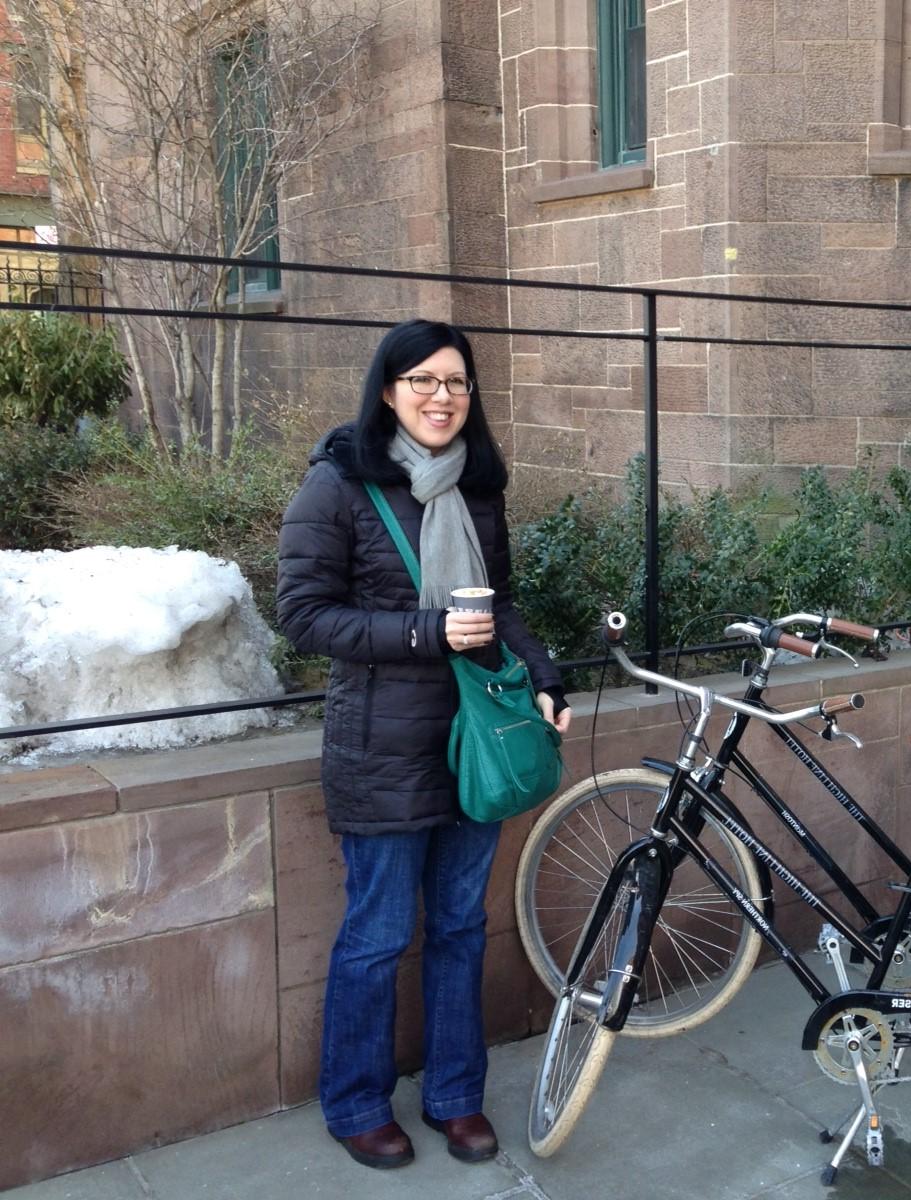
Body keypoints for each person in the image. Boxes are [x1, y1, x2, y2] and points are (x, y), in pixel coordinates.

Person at [277, 319, 572, 1170]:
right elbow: (302, 614)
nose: (442, 397)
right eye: (423, 381)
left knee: (458, 927)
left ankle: (453, 1095)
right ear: (387, 389)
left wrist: (546, 678)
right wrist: (427, 633)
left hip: (475, 742)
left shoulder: (479, 488)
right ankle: (356, 1101)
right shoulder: (338, 485)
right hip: (381, 749)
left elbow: (501, 607)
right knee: (373, 935)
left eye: (457, 383)